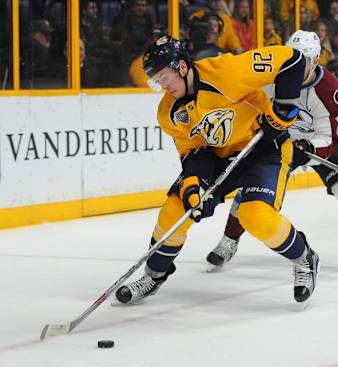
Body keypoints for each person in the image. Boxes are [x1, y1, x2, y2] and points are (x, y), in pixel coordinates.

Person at [115, 36, 319, 307]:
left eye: (165, 77)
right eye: (157, 81)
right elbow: (193, 152)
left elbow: (291, 59)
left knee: (254, 215)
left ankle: (304, 257)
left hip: (264, 147)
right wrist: (193, 186)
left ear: (183, 67)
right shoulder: (169, 112)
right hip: (219, 157)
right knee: (175, 211)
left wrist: (284, 107)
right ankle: (154, 275)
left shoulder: (226, 72)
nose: (163, 86)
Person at [206, 30, 338, 276]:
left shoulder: (327, 88)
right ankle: (230, 241)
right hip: (284, 142)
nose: (292, 66)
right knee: (253, 189)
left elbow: (332, 136)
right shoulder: (272, 79)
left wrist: (311, 148)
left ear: (315, 61)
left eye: (301, 60)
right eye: (289, 57)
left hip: (325, 144)